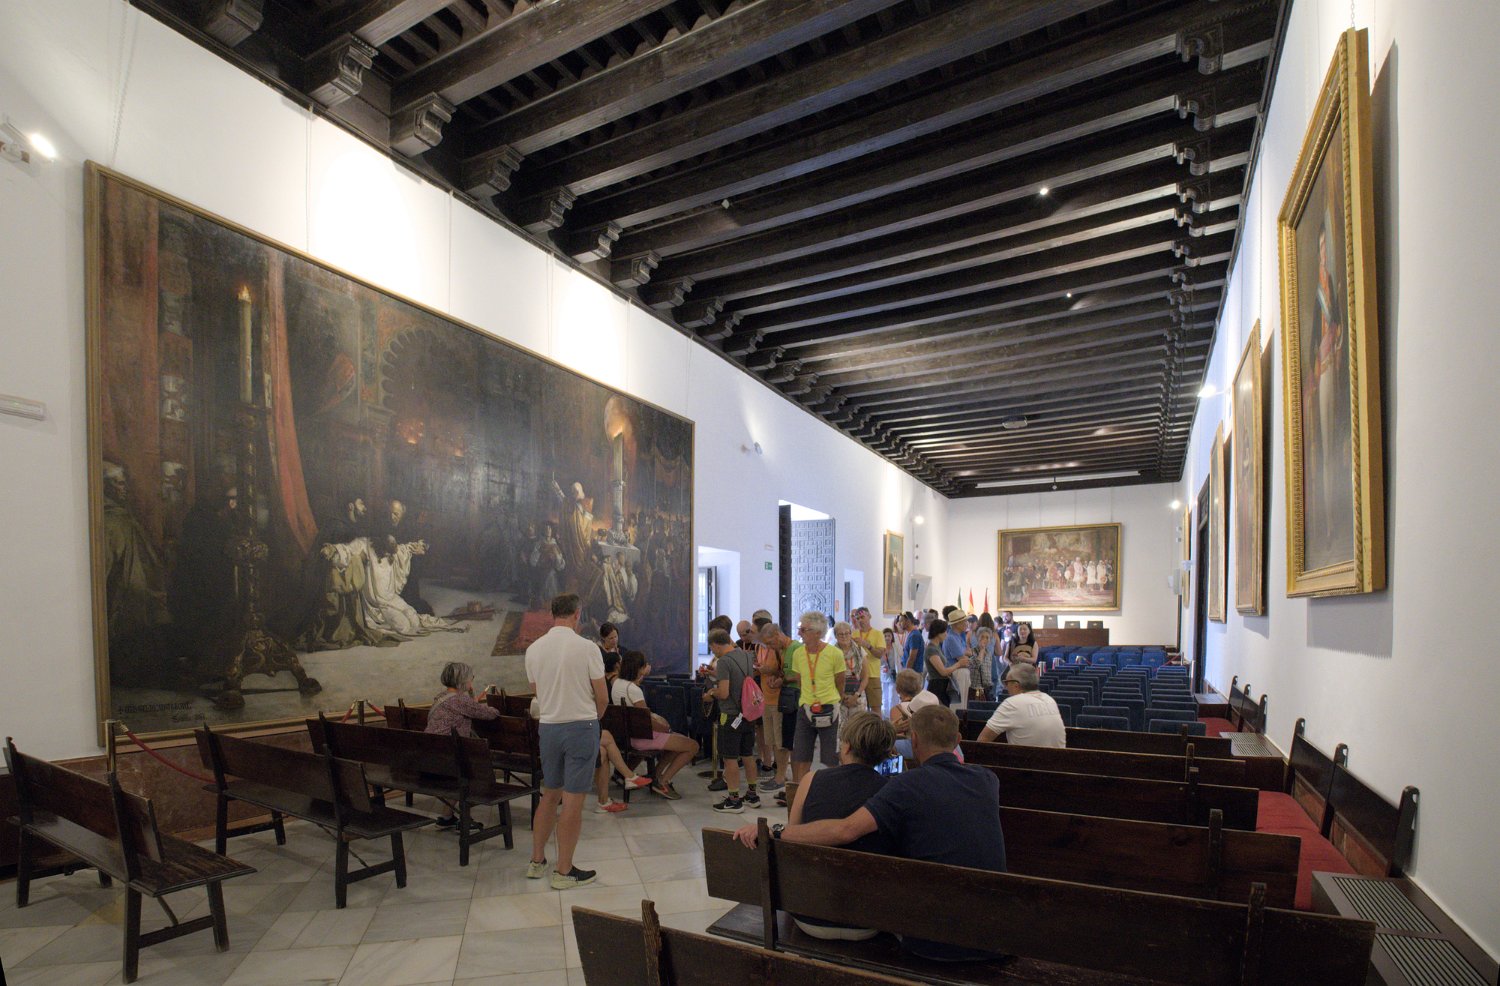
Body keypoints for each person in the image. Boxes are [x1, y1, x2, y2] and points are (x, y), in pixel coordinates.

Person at [734, 705, 1007, 963]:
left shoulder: (903, 787)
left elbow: (845, 830)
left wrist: (775, 832)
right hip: (988, 927)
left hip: (820, 913)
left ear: (913, 740)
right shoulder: (988, 779)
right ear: (957, 739)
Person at [734, 711, 896, 940]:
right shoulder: (892, 792)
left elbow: (791, 841)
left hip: (810, 913)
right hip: (868, 920)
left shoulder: (811, 780)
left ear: (847, 747)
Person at [524, 593, 607, 890]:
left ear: (551, 614)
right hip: (580, 726)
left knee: (550, 794)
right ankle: (564, 870)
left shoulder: (534, 649)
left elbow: (537, 691)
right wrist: (592, 718)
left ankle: (537, 861)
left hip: (548, 727)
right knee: (572, 800)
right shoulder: (587, 648)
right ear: (577, 613)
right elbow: (602, 696)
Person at [612, 651, 699, 798]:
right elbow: (646, 721)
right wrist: (666, 728)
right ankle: (663, 781)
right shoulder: (634, 690)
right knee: (692, 746)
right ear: (639, 668)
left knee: (679, 742)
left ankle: (655, 776)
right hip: (642, 737)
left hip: (628, 735)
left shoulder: (617, 683)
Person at [786, 610, 846, 783]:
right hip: (805, 708)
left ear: (818, 633)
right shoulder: (798, 653)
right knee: (801, 756)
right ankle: (801, 792)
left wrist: (833, 699)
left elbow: (840, 682)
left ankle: (832, 792)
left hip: (829, 708)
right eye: (799, 629)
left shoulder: (834, 654)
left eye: (803, 630)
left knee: (831, 758)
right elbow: (800, 681)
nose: (799, 633)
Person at [707, 628, 760, 813]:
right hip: (747, 713)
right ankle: (752, 795)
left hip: (730, 715)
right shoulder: (746, 656)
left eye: (712, 648)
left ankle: (733, 799)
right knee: (747, 755)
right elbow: (740, 680)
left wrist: (710, 693)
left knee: (730, 758)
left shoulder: (724, 661)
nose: (713, 652)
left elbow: (724, 693)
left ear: (716, 645)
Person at [977, 663, 1065, 748]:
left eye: (1006, 683)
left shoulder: (1012, 703)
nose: (1005, 687)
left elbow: (982, 741)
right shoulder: (1049, 700)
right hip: (1058, 758)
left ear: (1016, 685)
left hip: (1027, 758)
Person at [755, 618, 791, 794]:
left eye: (770, 643)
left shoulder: (788, 649)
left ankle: (781, 776)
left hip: (779, 700)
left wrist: (772, 672)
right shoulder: (762, 648)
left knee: (780, 741)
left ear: (777, 635)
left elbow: (787, 673)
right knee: (772, 740)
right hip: (766, 698)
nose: (768, 646)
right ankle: (778, 775)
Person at [888, 669, 940, 759]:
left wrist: (890, 731)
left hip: (913, 747)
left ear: (897, 689)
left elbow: (901, 736)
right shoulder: (930, 703)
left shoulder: (897, 710)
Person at [851, 607, 887, 716]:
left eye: (862, 617)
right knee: (857, 709)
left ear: (869, 616)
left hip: (873, 676)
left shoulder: (878, 634)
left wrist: (867, 645)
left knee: (875, 709)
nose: (860, 620)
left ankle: (877, 727)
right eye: (858, 618)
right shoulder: (854, 634)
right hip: (857, 676)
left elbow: (879, 655)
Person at [924, 618, 965, 707]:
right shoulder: (931, 649)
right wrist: (959, 664)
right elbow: (943, 672)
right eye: (944, 632)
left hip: (942, 686)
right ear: (938, 633)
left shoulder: (937, 647)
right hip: (937, 686)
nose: (946, 634)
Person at [832, 621, 869, 712]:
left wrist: (856, 696)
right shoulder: (832, 653)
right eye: (840, 634)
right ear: (835, 636)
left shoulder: (860, 650)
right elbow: (830, 678)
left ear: (851, 634)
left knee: (858, 721)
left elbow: (865, 677)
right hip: (838, 695)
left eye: (847, 633)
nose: (844, 636)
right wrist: (843, 696)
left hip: (858, 694)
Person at [941, 609, 973, 711]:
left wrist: (967, 656)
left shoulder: (958, 636)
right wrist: (967, 656)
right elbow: (963, 660)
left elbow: (969, 653)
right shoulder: (951, 638)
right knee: (957, 705)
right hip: (957, 673)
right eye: (964, 621)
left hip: (961, 672)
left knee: (963, 705)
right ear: (957, 624)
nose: (966, 623)